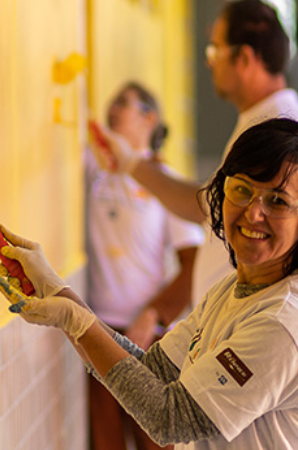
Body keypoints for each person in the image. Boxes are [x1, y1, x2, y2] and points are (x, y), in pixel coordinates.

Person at [91, 2, 298, 448]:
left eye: (215, 49)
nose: (208, 61)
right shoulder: (296, 121)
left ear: (245, 58)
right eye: (241, 192)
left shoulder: (274, 131)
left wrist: (132, 165)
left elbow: (203, 205)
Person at [0, 118, 298, 449]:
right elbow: (152, 372)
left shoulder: (284, 323)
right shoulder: (234, 290)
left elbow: (170, 417)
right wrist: (58, 290)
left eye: (278, 201)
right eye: (241, 189)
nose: (254, 212)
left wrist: (74, 321)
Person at [85, 81, 204, 450]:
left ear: (148, 119)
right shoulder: (96, 172)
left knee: (154, 440)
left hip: (146, 339)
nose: (113, 108)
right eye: (112, 101)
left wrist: (154, 315)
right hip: (98, 332)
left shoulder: (164, 184)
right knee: (106, 441)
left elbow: (192, 265)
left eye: (125, 103)